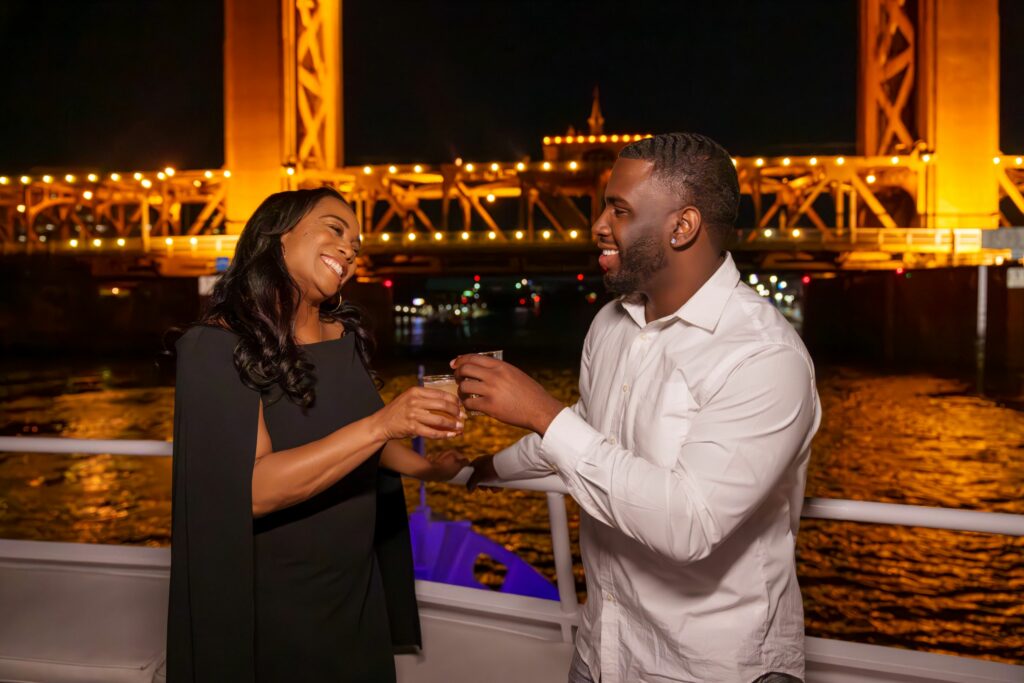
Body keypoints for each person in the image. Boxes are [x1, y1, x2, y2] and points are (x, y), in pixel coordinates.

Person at [454, 132, 821, 683]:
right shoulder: (611, 323)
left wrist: (539, 411)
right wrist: (480, 469)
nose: (597, 224)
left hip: (710, 668)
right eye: (605, 205)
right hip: (602, 649)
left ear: (683, 226)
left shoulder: (763, 357)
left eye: (619, 210)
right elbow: (588, 429)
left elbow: (689, 525)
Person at [167, 187, 467, 683]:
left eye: (356, 242)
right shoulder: (215, 347)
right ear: (276, 237)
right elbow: (252, 492)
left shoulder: (342, 337)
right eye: (335, 228)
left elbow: (365, 440)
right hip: (275, 607)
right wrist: (383, 422)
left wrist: (428, 467)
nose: (350, 248)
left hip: (355, 594)